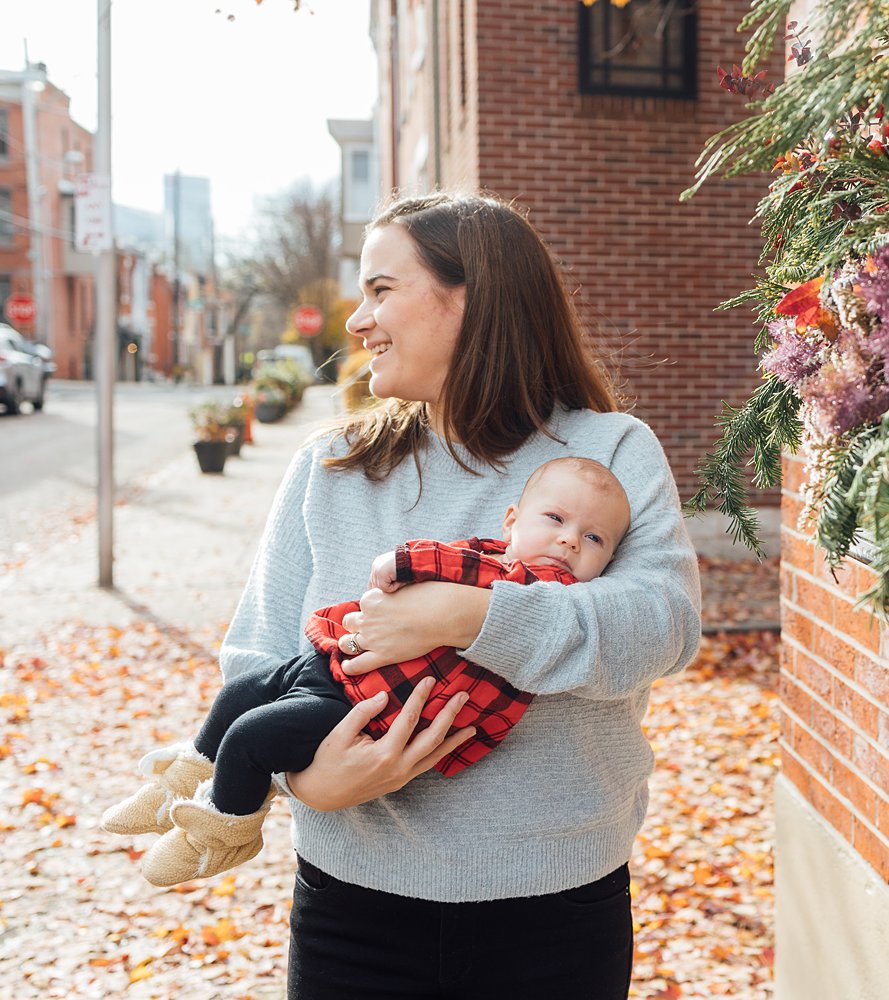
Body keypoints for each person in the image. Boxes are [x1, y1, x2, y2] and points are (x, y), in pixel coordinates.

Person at [168, 191, 698, 998]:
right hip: (352, 910)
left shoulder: (608, 452)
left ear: (472, 298)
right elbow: (259, 657)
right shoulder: (331, 467)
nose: (356, 320)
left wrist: (471, 615)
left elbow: (661, 628)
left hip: (555, 913)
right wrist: (307, 784)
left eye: (381, 289)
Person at [100, 456, 634, 890]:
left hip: (361, 712)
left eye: (595, 540)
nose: (569, 542)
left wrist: (403, 563)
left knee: (250, 737)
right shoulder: (491, 556)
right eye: (556, 521)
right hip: (338, 665)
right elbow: (460, 561)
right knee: (243, 692)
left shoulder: (547, 589)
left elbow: (444, 565)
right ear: (512, 520)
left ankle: (218, 832)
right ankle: (182, 782)